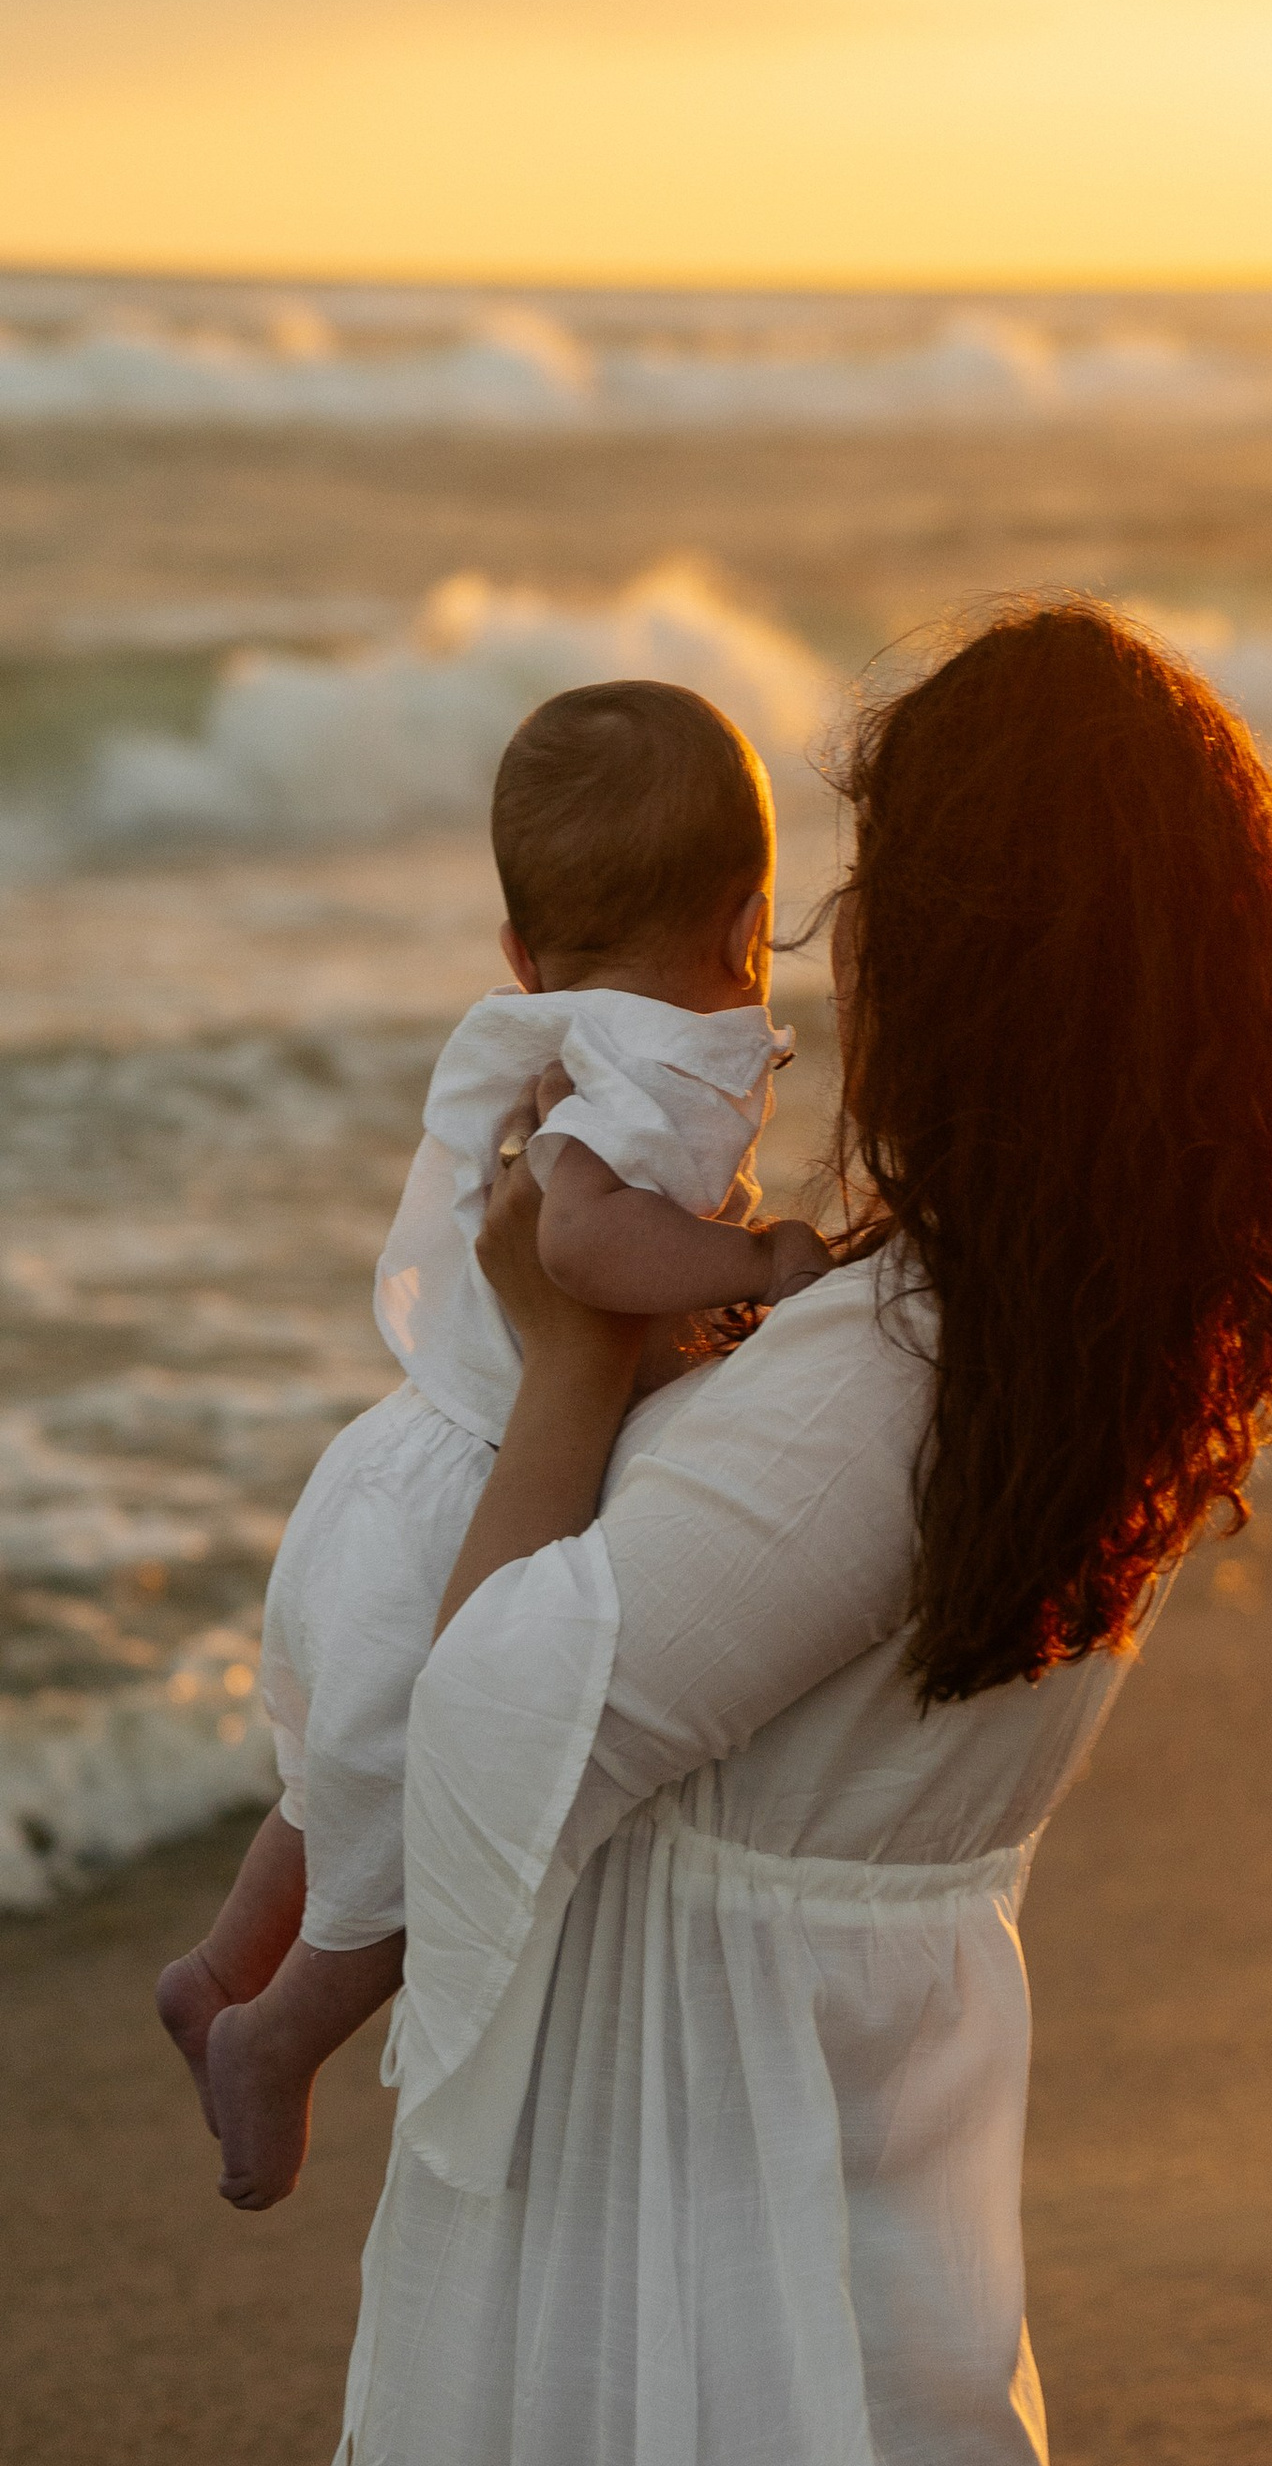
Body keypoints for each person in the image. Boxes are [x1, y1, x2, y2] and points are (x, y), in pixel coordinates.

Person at [299, 598, 1272, 2466]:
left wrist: (557, 1357)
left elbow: (492, 1736)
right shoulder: (1092, 1326)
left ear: (977, 957)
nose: (826, 953)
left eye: (871, 897)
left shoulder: (889, 1368)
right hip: (844, 2155)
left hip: (692, 2197)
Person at [156, 678, 834, 2211]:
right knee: (423, 1824)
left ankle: (215, 1971)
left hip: (393, 1471)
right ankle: (280, 2037)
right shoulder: (658, 1061)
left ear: (520, 953)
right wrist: (755, 1264)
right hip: (467, 1498)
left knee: (337, 1783)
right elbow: (584, 1241)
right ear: (746, 925)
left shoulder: (560, 1028)